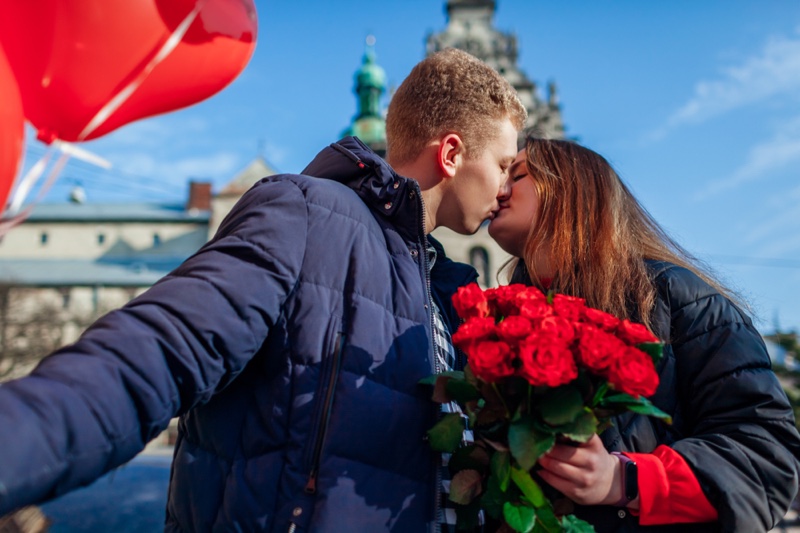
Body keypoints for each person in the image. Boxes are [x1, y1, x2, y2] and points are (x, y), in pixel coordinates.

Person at [0, 48, 527, 532]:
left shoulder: (443, 287)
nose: (505, 188)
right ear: (452, 153)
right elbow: (158, 353)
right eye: (503, 165)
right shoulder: (307, 215)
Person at [487, 136, 800, 532]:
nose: (498, 189)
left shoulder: (681, 298)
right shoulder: (504, 321)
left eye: (516, 175)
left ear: (569, 188)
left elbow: (766, 457)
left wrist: (624, 480)